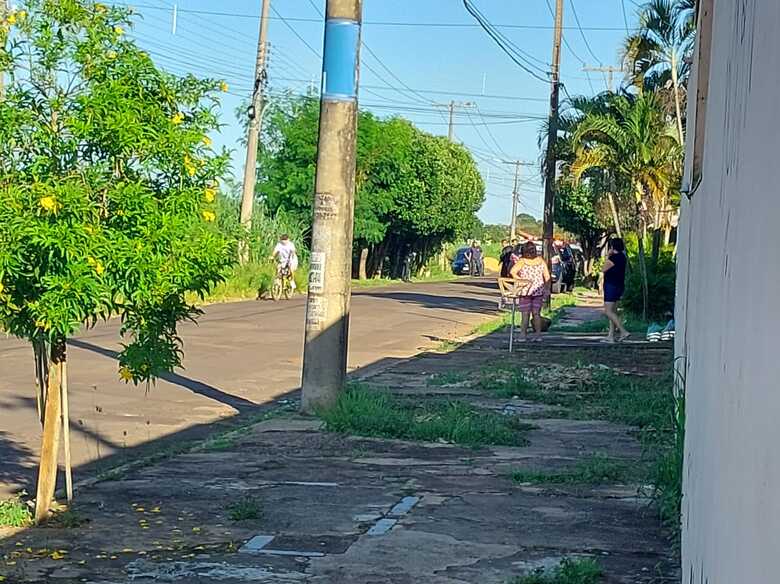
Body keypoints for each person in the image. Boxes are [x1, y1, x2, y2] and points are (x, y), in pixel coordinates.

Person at [510, 241, 551, 342]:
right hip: (538, 291)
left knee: (525, 314)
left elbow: (512, 272)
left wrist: (519, 279)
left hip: (525, 291)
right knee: (536, 314)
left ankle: (523, 336)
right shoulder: (541, 261)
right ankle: (538, 336)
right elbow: (547, 276)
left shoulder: (522, 261)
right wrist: (546, 288)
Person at [601, 238, 629, 343]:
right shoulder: (623, 257)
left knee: (608, 311)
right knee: (613, 311)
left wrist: (608, 255)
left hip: (611, 286)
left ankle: (623, 331)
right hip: (619, 286)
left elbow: (603, 269)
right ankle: (611, 335)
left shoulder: (613, 258)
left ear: (612, 247)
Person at [497, 242, 520, 309]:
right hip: (513, 276)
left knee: (505, 288)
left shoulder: (504, 258)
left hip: (504, 275)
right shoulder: (514, 258)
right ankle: (513, 302)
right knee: (515, 287)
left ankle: (504, 300)